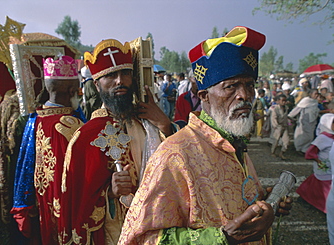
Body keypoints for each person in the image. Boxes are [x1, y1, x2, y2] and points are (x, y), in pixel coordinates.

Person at [119, 26, 292, 245]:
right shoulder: (175, 155)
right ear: (204, 96)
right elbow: (142, 238)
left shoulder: (232, 140)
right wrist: (222, 237)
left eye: (249, 85)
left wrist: (265, 203)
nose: (244, 96)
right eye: (231, 87)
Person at [58, 39, 177, 245]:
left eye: (125, 73)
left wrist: (166, 126)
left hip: (157, 227)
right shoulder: (86, 137)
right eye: (111, 76)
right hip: (116, 233)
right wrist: (109, 193)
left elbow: (176, 166)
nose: (119, 81)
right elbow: (77, 202)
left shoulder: (148, 123)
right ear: (96, 84)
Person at [11, 56, 85, 244]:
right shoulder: (73, 125)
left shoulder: (34, 120)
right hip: (69, 203)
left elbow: (25, 164)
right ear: (71, 91)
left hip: (42, 197)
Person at [297, 113, 334, 213]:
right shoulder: (323, 138)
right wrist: (318, 161)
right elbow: (310, 152)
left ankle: (306, 196)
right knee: (326, 186)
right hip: (324, 165)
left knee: (317, 182)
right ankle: (325, 206)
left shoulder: (332, 137)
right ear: (327, 124)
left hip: (330, 165)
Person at [288, 89, 320, 154]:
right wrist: (290, 116)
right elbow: (297, 109)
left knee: (310, 136)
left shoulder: (315, 101)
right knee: (303, 135)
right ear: (311, 94)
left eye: (317, 94)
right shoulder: (306, 100)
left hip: (312, 121)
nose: (316, 95)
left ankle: (305, 149)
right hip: (305, 121)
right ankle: (299, 148)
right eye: (315, 94)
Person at [270, 94, 290, 159]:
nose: (284, 102)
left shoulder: (286, 108)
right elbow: (273, 118)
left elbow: (286, 116)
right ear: (278, 101)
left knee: (286, 141)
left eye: (285, 101)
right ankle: (273, 152)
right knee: (276, 141)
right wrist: (276, 126)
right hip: (278, 127)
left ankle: (282, 153)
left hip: (284, 126)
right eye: (282, 101)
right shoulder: (275, 109)